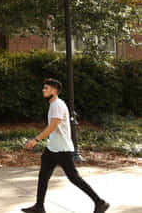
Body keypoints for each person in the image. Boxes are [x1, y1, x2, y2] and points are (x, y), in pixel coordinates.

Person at [21, 79, 109, 213]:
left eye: (46, 88)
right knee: (43, 176)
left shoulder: (57, 105)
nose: (43, 90)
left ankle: (100, 202)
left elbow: (53, 126)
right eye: (43, 88)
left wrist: (36, 140)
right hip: (52, 148)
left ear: (54, 91)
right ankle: (39, 206)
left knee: (74, 178)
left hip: (62, 149)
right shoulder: (53, 104)